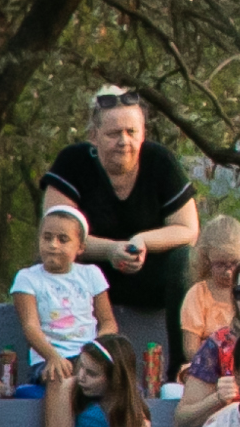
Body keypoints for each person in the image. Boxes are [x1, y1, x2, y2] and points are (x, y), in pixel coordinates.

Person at [37, 86, 203, 344]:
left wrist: (142, 242)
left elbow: (188, 229)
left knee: (184, 261)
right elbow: (53, 237)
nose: (124, 141)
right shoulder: (72, 163)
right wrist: (110, 250)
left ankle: (180, 369)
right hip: (88, 277)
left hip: (148, 274)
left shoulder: (161, 161)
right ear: (94, 136)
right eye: (114, 133)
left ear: (143, 133)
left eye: (131, 132)